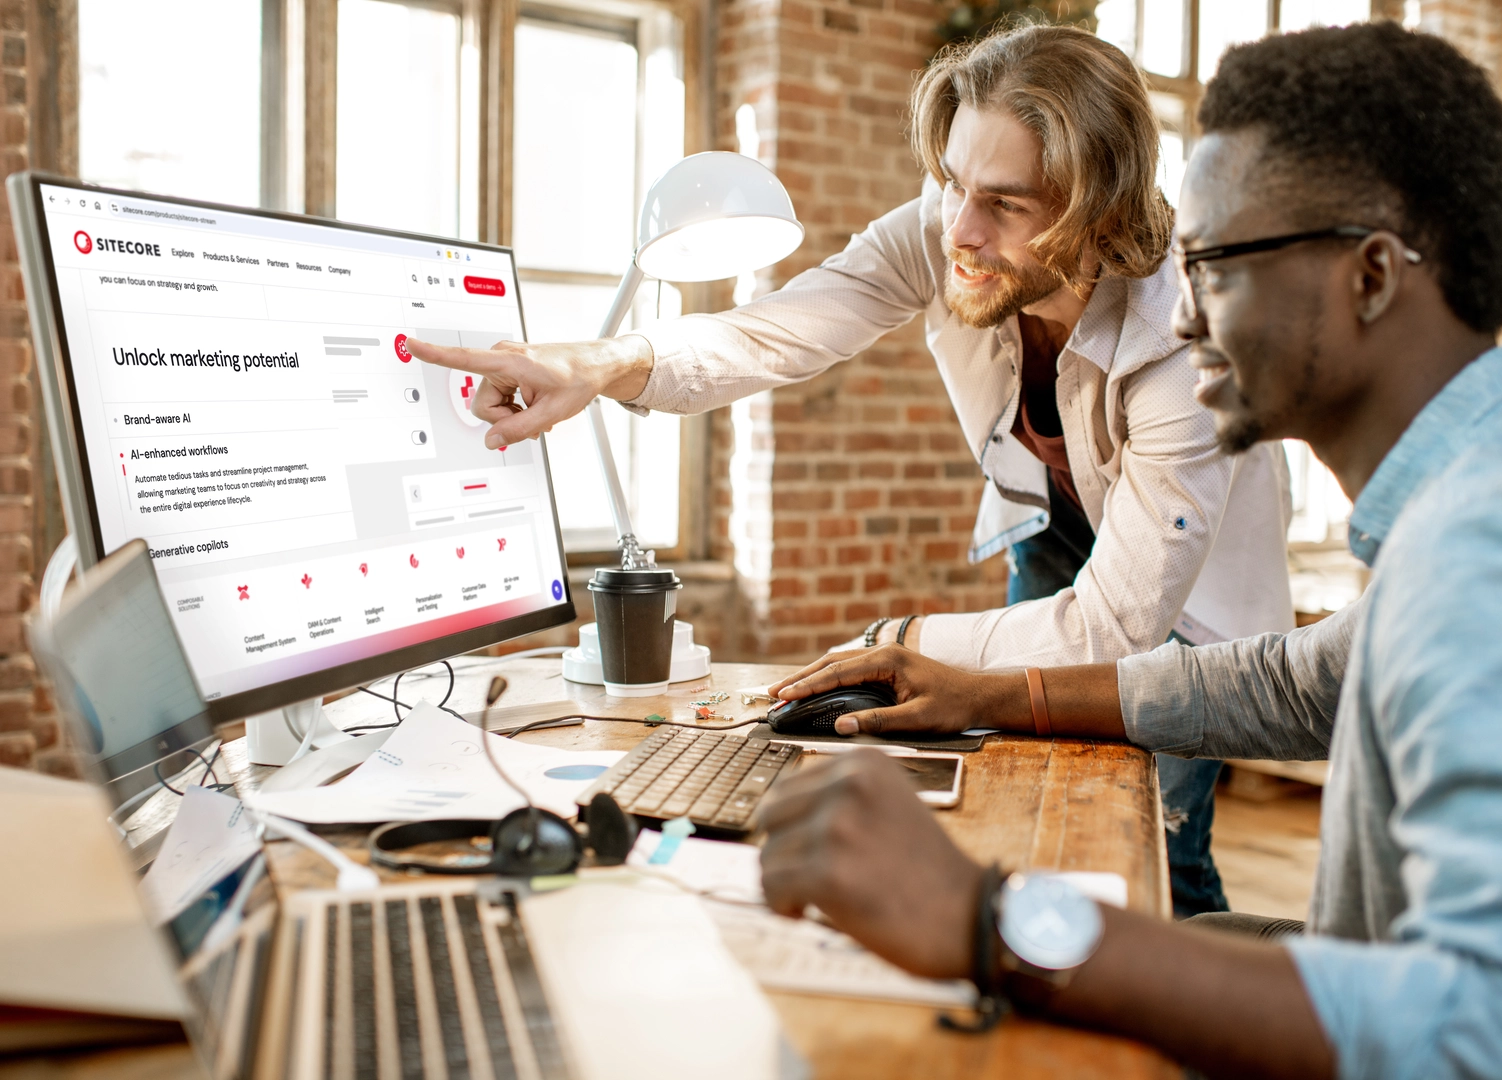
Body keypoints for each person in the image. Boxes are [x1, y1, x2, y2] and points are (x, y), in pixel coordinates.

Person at [754, 22, 1502, 1080]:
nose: (1181, 316)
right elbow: (1301, 681)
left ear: (1371, 276)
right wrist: (987, 691)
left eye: (1212, 262)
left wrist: (988, 917)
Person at [410, 24, 1295, 916]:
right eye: (952, 181)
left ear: (1095, 208)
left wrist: (896, 640)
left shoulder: (1185, 336)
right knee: (1032, 773)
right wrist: (601, 364)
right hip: (1055, 527)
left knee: (1154, 823)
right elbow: (781, 328)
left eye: (1006, 204)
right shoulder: (948, 224)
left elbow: (1115, 629)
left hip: (1185, 596)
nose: (959, 229)